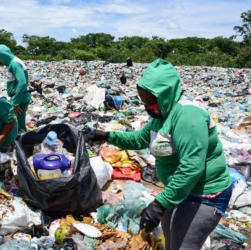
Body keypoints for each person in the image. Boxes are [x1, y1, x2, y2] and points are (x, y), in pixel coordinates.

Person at [87, 59, 232, 250]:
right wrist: (106, 135)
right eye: (144, 100)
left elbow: (191, 167)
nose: (147, 106)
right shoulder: (162, 115)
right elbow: (139, 140)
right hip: (179, 189)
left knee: (184, 246)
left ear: (165, 94)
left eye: (150, 100)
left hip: (204, 193)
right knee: (170, 237)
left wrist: (160, 204)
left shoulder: (188, 117)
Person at [0, 44, 31, 134]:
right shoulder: (13, 62)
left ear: (3, 55)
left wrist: (15, 103)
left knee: (18, 125)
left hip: (20, 99)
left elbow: (22, 83)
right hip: (19, 98)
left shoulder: (15, 63)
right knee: (17, 123)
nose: (0, 60)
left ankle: (23, 144)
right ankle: (21, 142)